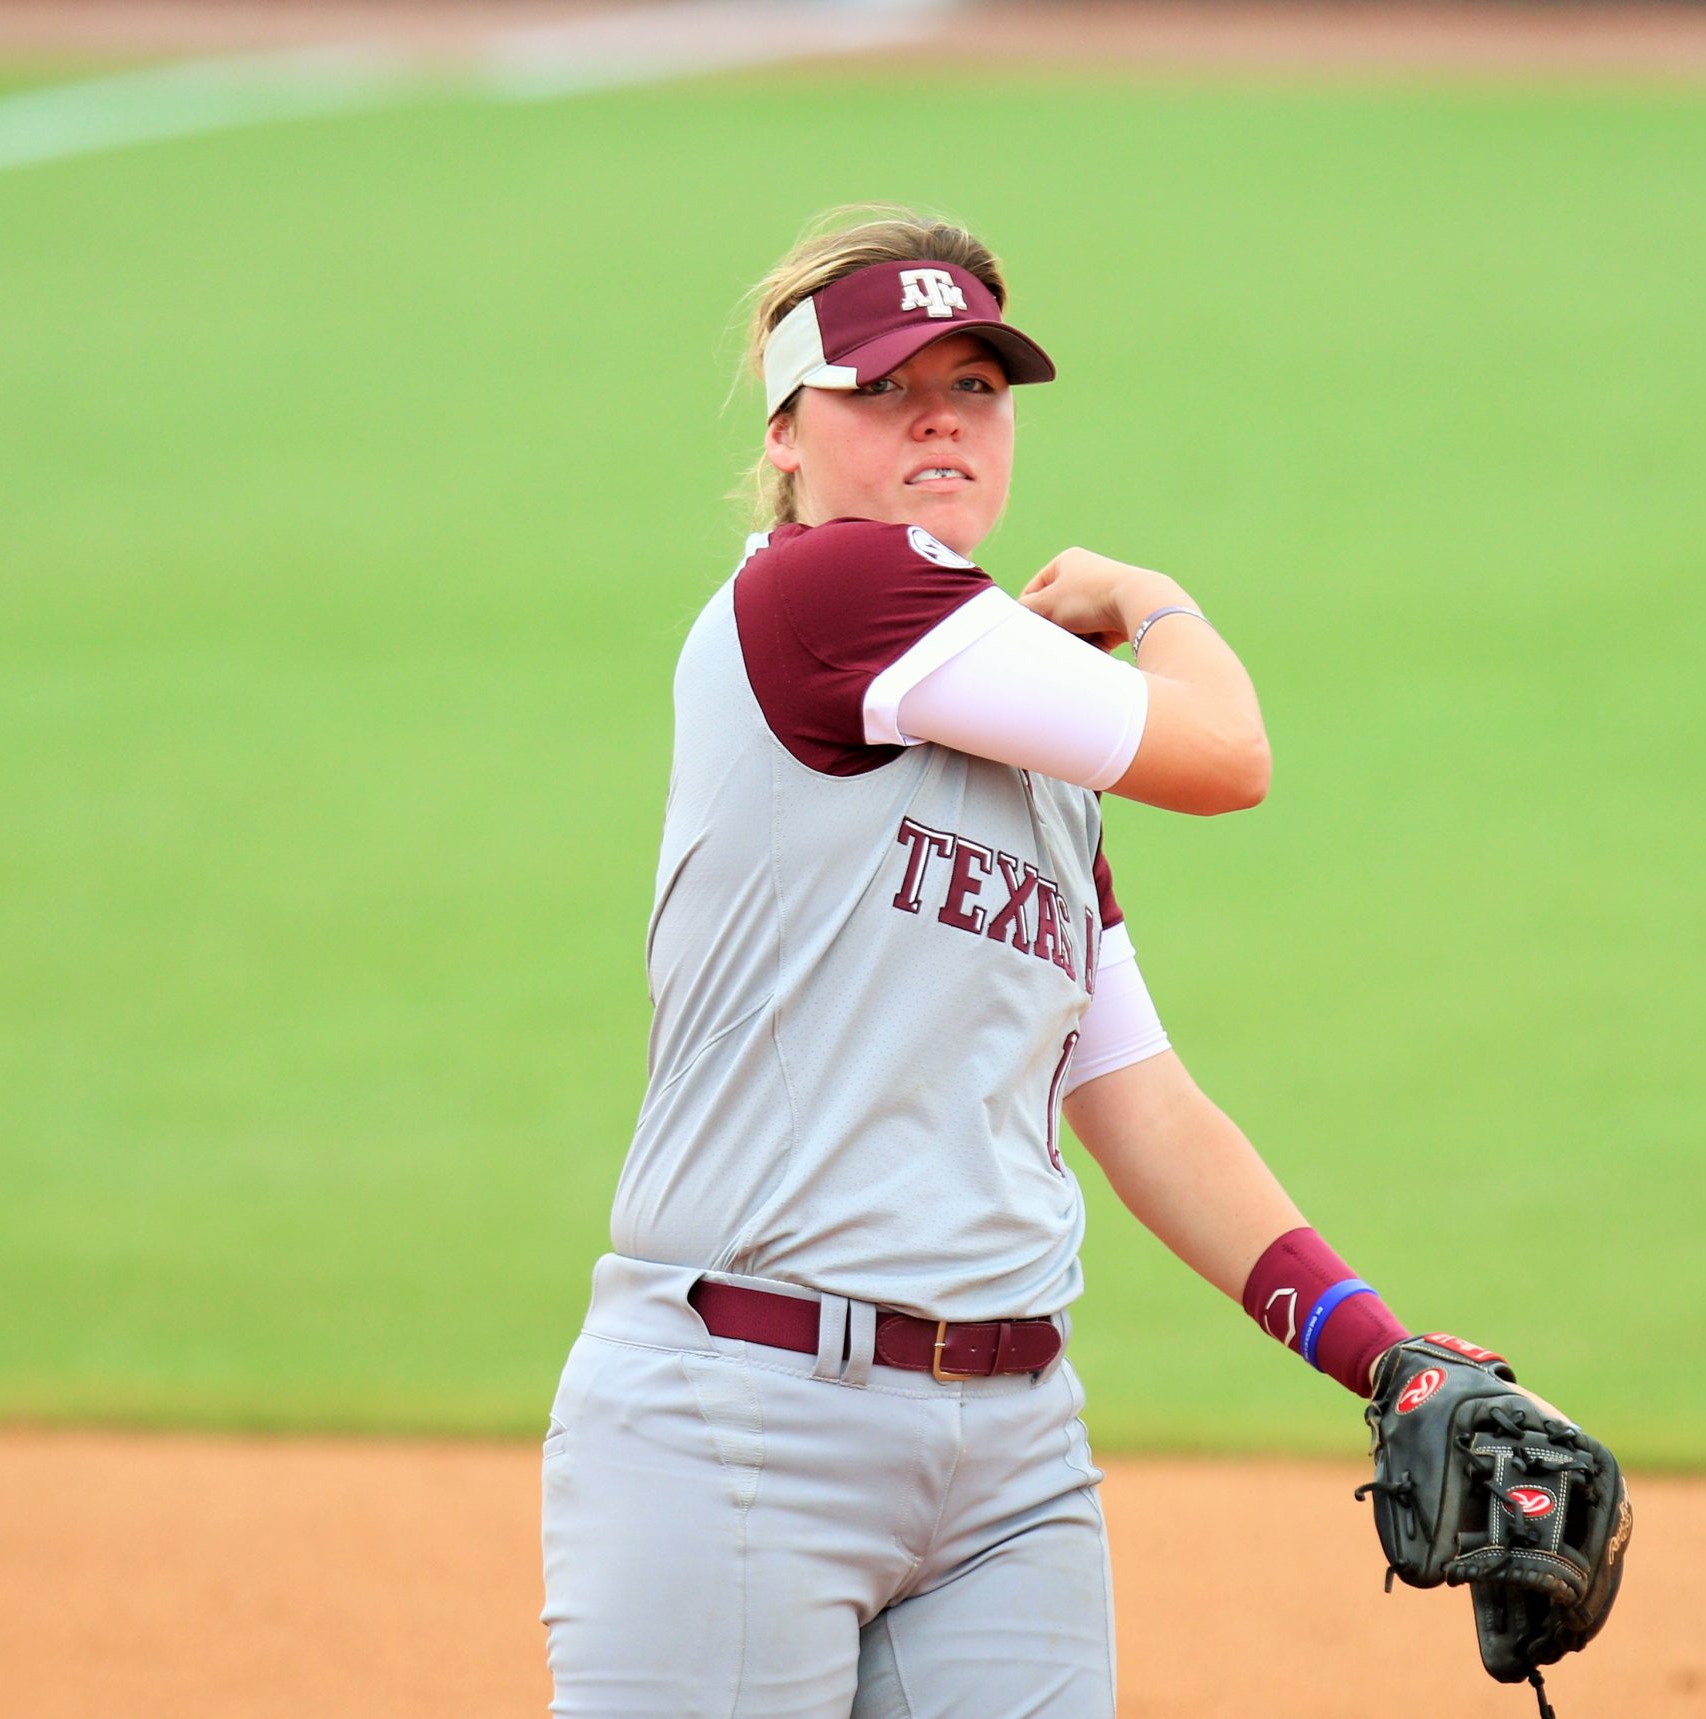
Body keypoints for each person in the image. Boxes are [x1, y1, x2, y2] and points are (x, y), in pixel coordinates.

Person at [539, 208, 1534, 1717]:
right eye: (884, 386)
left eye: (978, 385)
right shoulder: (828, 594)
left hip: (1010, 1455)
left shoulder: (1030, 742)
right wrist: (1151, 603)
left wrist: (1380, 1354)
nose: (940, 414)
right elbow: (1227, 755)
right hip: (743, 1425)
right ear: (790, 433)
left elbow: (1137, 1097)